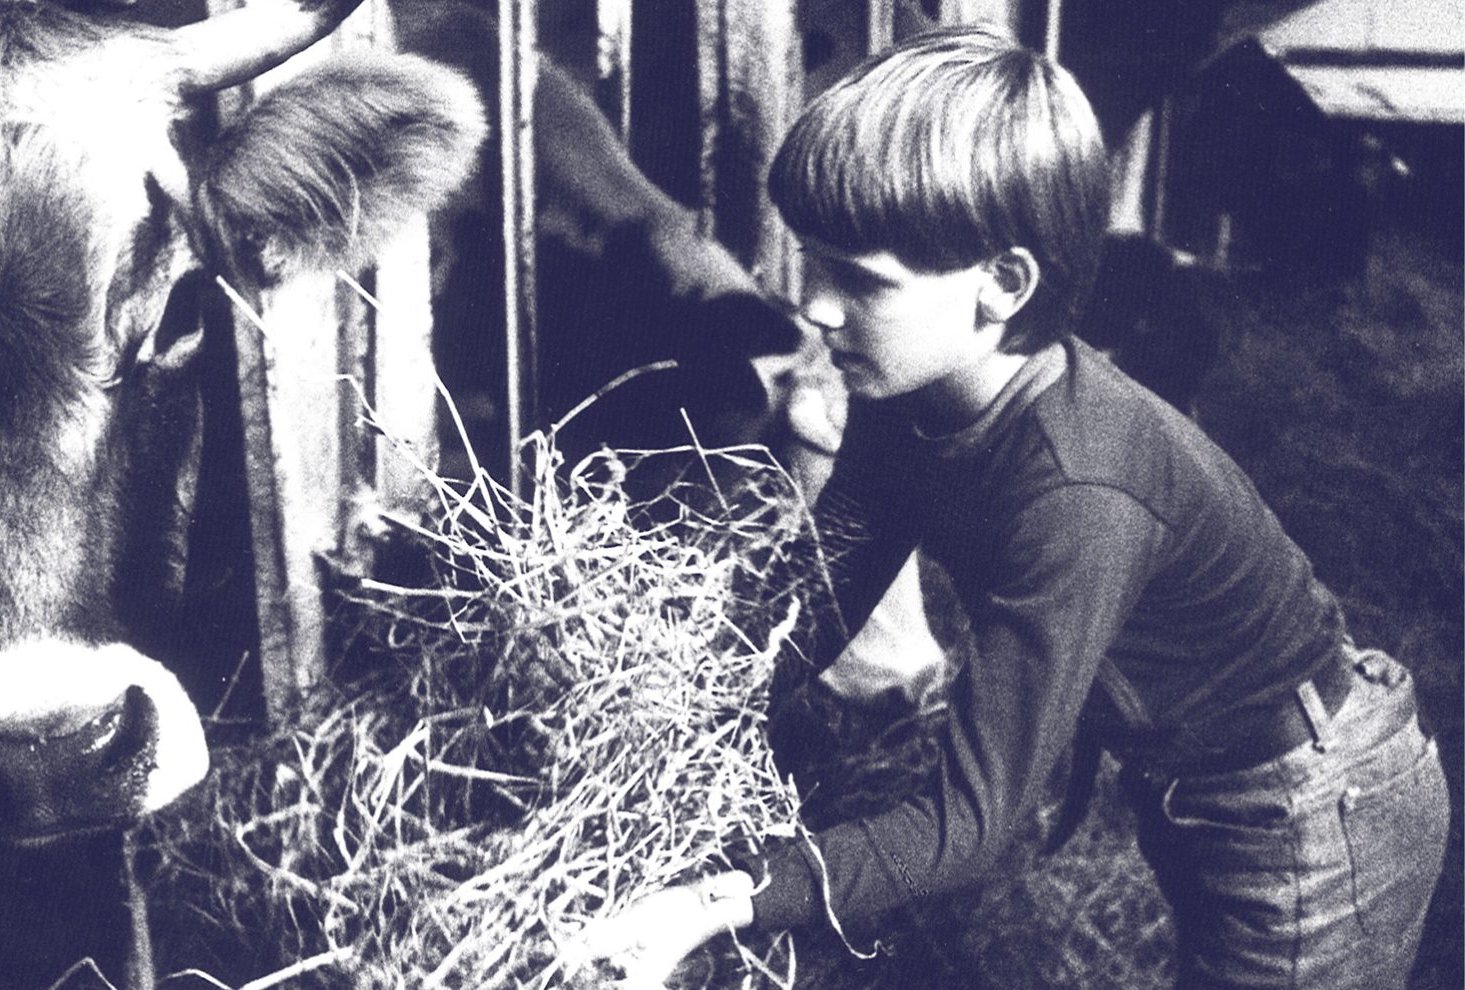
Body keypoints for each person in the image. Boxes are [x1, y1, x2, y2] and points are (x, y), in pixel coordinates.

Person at [571, 25, 1449, 990]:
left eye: (861, 281)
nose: (813, 306)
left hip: (1313, 807)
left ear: (1003, 284)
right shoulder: (901, 400)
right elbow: (813, 601)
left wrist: (709, 901)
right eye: (809, 260)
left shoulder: (1077, 495)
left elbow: (971, 823)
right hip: (1195, 782)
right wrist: (653, 720)